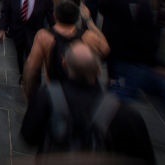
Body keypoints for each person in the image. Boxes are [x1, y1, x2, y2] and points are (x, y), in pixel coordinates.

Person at [21, 42, 155, 163]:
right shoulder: (126, 115)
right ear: (98, 70)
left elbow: (29, 136)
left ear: (65, 65)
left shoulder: (46, 97)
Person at [22, 0, 109, 100]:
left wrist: (31, 96)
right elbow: (105, 48)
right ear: (77, 18)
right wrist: (89, 20)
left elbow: (32, 68)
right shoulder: (88, 37)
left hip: (57, 93)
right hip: (83, 94)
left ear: (55, 16)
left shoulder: (44, 37)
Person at [0, 0, 54, 80]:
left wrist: (53, 34)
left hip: (35, 33)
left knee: (32, 56)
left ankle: (32, 77)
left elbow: (51, 19)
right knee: (19, 54)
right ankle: (22, 74)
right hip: (17, 32)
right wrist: (2, 29)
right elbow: (5, 12)